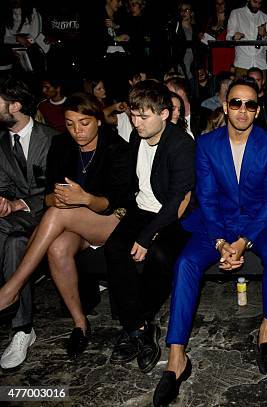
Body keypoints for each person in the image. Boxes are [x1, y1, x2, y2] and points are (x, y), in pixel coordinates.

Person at [153, 78, 267, 406]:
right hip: (216, 224)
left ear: (258, 110)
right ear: (225, 107)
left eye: (250, 104)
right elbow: (207, 197)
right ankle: (176, 358)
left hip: (259, 223)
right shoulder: (207, 144)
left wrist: (243, 242)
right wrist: (220, 243)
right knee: (185, 263)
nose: (243, 110)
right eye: (236, 103)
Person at [0, 91, 131, 359]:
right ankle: (80, 324)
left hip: (111, 220)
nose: (77, 131)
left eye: (84, 123)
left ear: (98, 120)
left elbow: (114, 200)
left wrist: (84, 198)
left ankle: (11, 288)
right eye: (70, 124)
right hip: (71, 220)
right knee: (57, 248)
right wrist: (60, 197)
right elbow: (47, 195)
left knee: (58, 214)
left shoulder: (117, 147)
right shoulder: (61, 145)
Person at [105, 80, 194, 374]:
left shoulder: (181, 144)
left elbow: (176, 201)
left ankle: (135, 326)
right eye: (133, 115)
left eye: (144, 117)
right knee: (115, 248)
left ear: (165, 114)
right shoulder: (136, 136)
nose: (136, 122)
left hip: (172, 217)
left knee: (159, 255)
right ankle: (139, 326)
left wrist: (146, 236)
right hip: (141, 210)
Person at [0, 77, 58, 368]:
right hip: (15, 217)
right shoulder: (1, 143)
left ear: (15, 106)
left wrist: (19, 203)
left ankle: (21, 328)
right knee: (10, 239)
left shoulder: (52, 139)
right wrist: (2, 199)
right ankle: (21, 324)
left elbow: (57, 191)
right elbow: (4, 186)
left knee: (14, 243)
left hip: (50, 215)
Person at [226, 0, 267, 78]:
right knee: (241, 89)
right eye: (255, 2)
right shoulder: (236, 13)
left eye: (259, 3)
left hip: (260, 65)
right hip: (242, 64)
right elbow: (228, 40)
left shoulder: (265, 17)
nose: (257, 5)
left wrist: (265, 35)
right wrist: (234, 37)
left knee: (259, 90)